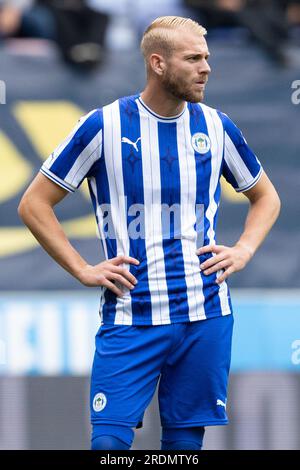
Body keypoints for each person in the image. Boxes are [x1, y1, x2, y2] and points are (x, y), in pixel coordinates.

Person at [18, 16, 281, 451]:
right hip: (131, 315)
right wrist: (82, 268)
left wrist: (245, 248)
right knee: (108, 444)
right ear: (158, 63)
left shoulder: (217, 126)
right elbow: (34, 203)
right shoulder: (102, 126)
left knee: (184, 445)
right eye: (193, 58)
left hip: (205, 313)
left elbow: (267, 197)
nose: (206, 68)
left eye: (207, 58)